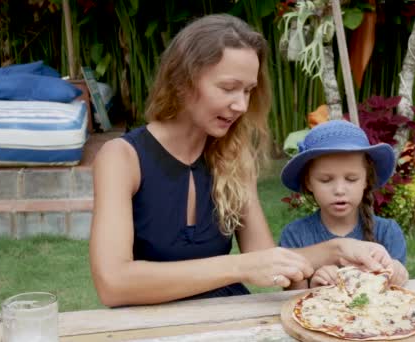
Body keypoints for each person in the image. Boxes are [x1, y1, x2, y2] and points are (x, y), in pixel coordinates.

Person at [89, 14, 396, 307]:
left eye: (248, 90)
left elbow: (264, 258)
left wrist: (338, 250)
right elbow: (113, 283)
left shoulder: (234, 158)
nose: (241, 105)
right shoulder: (121, 158)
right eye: (228, 88)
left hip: (230, 318)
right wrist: (239, 266)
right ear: (182, 82)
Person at [279, 120, 409, 289]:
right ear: (309, 183)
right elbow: (292, 300)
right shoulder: (295, 236)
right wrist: (315, 286)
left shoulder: (388, 232)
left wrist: (397, 273)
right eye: (326, 180)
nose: (339, 190)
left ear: (366, 181)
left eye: (351, 179)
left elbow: (395, 295)